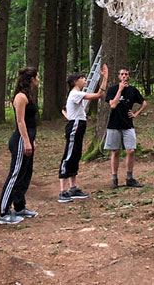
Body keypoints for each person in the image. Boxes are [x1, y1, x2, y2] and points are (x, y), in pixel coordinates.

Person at [58, 63, 108, 203]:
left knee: (76, 155)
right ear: (76, 81)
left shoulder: (76, 95)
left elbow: (66, 110)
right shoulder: (75, 93)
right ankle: (63, 191)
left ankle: (73, 188)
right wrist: (105, 78)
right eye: (83, 78)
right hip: (75, 126)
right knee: (68, 156)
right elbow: (99, 95)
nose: (85, 80)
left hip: (78, 126)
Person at [0, 67, 40, 225]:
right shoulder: (21, 97)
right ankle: (3, 212)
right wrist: (27, 141)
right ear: (31, 79)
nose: (38, 80)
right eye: (37, 77)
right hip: (20, 141)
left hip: (28, 138)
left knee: (25, 174)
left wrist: (32, 140)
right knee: (15, 174)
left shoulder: (28, 95)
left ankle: (19, 207)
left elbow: (30, 122)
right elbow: (20, 121)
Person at [104, 67, 147, 188]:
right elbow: (112, 105)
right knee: (115, 151)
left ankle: (129, 178)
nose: (124, 76)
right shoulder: (112, 89)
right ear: (119, 76)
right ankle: (114, 179)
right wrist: (120, 90)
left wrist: (136, 114)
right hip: (114, 125)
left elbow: (144, 103)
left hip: (128, 125)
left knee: (131, 150)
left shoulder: (133, 90)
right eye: (122, 74)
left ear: (128, 76)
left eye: (126, 74)